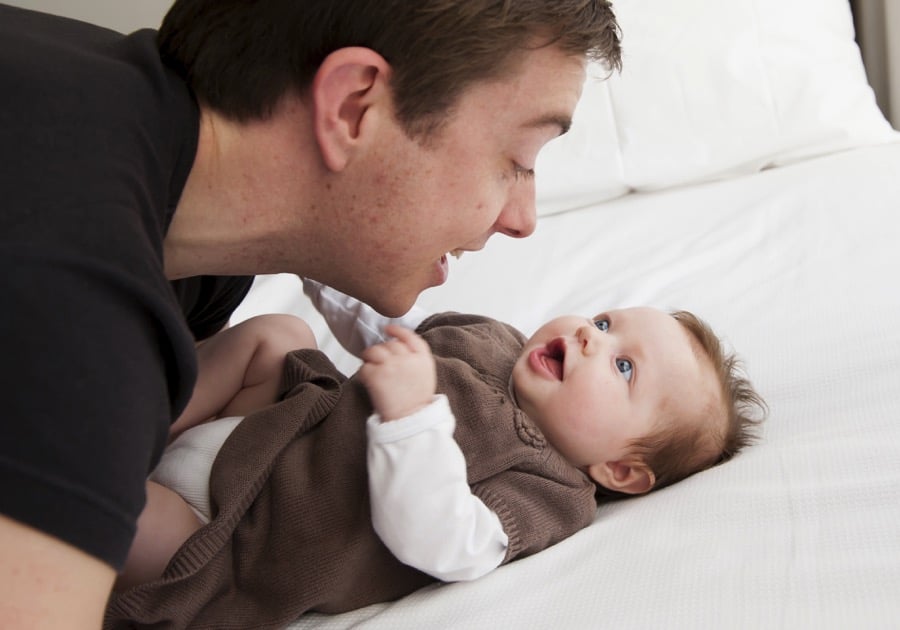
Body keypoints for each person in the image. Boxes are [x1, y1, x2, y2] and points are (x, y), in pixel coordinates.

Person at [0, 0, 622, 625]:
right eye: (517, 160)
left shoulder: (198, 255)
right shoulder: (77, 307)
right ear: (354, 107)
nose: (523, 220)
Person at [106, 280, 765, 627]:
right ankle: (121, 421)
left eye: (624, 368)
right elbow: (391, 339)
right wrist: (332, 276)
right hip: (277, 423)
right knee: (276, 335)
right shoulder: (498, 341)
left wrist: (413, 415)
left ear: (619, 470)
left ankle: (85, 470)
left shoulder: (548, 493)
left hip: (234, 534)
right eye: (602, 322)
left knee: (115, 514)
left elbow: (446, 539)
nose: (591, 339)